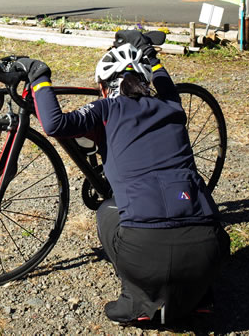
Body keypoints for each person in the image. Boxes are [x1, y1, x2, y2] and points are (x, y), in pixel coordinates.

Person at [15, 32, 229, 326]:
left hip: (144, 251)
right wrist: (150, 54)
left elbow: (54, 124)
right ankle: (200, 296)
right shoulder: (172, 106)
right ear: (146, 83)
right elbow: (164, 82)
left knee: (106, 211)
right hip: (212, 248)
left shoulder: (106, 108)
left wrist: (39, 76)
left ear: (103, 88)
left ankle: (137, 298)